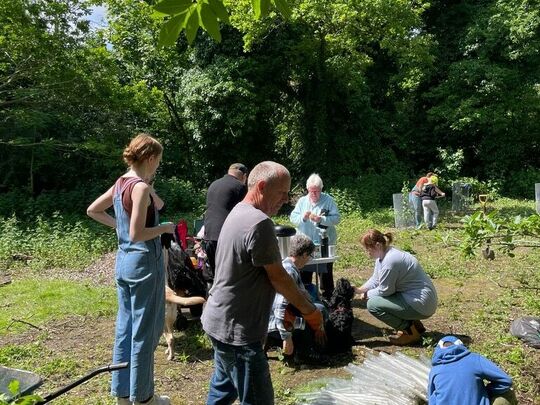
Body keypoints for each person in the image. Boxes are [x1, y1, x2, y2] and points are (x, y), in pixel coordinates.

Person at [201, 161, 326, 405]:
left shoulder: (237, 211)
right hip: (239, 334)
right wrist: (310, 311)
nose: (286, 199)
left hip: (218, 322)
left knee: (222, 392)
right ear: (261, 186)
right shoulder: (259, 223)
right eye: (282, 193)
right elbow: (279, 277)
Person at [87, 133, 175, 405]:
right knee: (145, 334)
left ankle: (122, 396)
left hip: (123, 265)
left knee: (124, 330)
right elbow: (138, 233)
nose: (158, 166)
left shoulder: (121, 183)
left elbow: (93, 210)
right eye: (157, 161)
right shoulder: (139, 188)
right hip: (144, 266)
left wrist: (119, 226)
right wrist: (165, 228)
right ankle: (145, 398)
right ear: (149, 158)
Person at [355, 229, 438, 346]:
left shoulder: (390, 261)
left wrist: (367, 295)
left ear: (377, 245)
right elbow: (375, 279)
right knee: (384, 298)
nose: (366, 252)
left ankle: (410, 331)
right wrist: (359, 290)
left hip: (422, 304)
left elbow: (385, 290)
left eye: (367, 248)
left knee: (373, 305)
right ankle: (416, 326)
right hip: (418, 299)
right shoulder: (384, 255)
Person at [267, 234, 328, 362]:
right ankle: (304, 352)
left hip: (281, 319)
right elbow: (280, 307)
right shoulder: (289, 271)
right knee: (320, 311)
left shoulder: (287, 265)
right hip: (276, 324)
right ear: (304, 254)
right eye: (310, 256)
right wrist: (286, 337)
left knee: (313, 295)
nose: (309, 260)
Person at [290, 173, 340, 300]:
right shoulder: (302, 201)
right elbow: (293, 218)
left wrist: (321, 219)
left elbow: (336, 218)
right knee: (305, 271)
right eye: (311, 191)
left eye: (317, 191)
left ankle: (328, 297)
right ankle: (306, 296)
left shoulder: (328, 200)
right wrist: (303, 217)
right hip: (306, 243)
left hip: (324, 241)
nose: (314, 194)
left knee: (325, 273)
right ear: (307, 190)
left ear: (321, 189)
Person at [428, 335, 517, 405]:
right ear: (461, 346)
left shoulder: (435, 370)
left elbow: (431, 398)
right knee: (508, 393)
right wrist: (488, 391)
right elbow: (506, 381)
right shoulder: (474, 359)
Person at [203, 163, 248, 286]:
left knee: (215, 277)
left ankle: (211, 303)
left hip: (209, 236)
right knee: (229, 278)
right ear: (244, 176)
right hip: (225, 238)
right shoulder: (239, 186)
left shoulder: (214, 184)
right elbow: (246, 212)